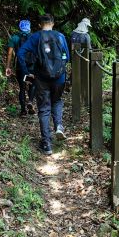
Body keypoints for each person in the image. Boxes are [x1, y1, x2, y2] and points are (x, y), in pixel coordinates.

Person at [17, 14, 70, 155]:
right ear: (53, 23)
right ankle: (59, 125)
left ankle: (46, 144)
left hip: (41, 78)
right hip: (59, 78)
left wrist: (27, 72)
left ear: (40, 25)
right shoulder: (60, 36)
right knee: (57, 101)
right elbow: (67, 57)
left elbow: (21, 53)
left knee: (44, 108)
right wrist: (60, 68)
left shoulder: (35, 37)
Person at [5, 20, 36, 117]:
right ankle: (30, 101)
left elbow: (9, 53)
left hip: (20, 67)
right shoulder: (33, 37)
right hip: (31, 66)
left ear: (20, 27)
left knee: (22, 88)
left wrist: (8, 66)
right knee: (31, 85)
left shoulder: (15, 38)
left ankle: (23, 111)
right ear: (29, 27)